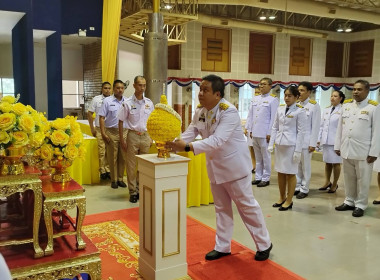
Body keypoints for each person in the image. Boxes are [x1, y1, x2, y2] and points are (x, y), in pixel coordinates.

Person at [166, 74, 272, 262]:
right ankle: (222, 246)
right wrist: (175, 142)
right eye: (200, 89)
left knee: (246, 207)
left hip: (235, 169)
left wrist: (188, 147)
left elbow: (218, 140)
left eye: (205, 90)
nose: (200, 94)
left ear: (217, 94)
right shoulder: (200, 111)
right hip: (216, 168)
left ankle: (264, 244)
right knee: (221, 208)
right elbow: (192, 131)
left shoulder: (228, 111)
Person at [334, 80, 380, 217]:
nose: (355, 92)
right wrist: (338, 145)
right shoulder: (347, 106)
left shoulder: (374, 108)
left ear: (367, 91)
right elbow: (340, 128)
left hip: (364, 151)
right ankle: (349, 201)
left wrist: (374, 152)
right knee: (348, 178)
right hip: (347, 149)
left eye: (359, 89)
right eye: (354, 89)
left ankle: (361, 204)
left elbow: (377, 132)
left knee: (363, 180)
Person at [269, 86, 305, 211]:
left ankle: (289, 200)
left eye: (290, 96)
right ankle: (281, 197)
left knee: (290, 173)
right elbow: (275, 127)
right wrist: (271, 144)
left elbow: (301, 132)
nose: (287, 98)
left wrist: (298, 150)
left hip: (291, 146)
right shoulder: (280, 109)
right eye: (285, 95)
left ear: (296, 97)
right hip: (280, 144)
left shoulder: (300, 111)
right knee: (280, 172)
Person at [118, 76, 154, 203]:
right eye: (140, 85)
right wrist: (123, 139)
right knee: (132, 165)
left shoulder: (149, 103)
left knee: (144, 166)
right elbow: (121, 121)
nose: (142, 88)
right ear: (134, 85)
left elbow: (152, 122)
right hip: (132, 135)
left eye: (144, 85)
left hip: (145, 136)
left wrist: (151, 138)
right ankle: (132, 191)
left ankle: (141, 189)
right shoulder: (127, 103)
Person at [245, 78, 279, 187]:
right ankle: (258, 177)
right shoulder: (255, 99)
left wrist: (270, 132)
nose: (261, 86)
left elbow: (274, 118)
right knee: (258, 157)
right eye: (260, 84)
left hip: (265, 134)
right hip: (254, 132)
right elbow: (250, 115)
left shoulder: (273, 100)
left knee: (266, 157)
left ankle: (266, 178)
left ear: (270, 86)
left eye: (264, 84)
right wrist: (249, 128)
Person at [98, 80, 128, 190]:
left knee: (123, 157)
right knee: (113, 157)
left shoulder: (128, 101)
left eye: (122, 88)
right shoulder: (107, 101)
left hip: (124, 132)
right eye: (117, 88)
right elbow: (101, 117)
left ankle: (120, 179)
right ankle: (114, 180)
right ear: (114, 89)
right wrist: (103, 133)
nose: (120, 90)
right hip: (111, 132)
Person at [295, 81, 321, 199]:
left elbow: (316, 126)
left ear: (309, 92)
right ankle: (297, 186)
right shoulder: (296, 104)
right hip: (296, 141)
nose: (299, 92)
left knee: (305, 166)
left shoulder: (313, 106)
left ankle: (305, 188)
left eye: (302, 90)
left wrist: (313, 143)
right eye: (298, 90)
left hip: (307, 141)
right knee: (296, 165)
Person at [317, 90, 345, 193]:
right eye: (332, 96)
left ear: (340, 98)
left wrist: (341, 142)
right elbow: (321, 126)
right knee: (327, 162)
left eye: (335, 96)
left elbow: (343, 128)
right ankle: (327, 181)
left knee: (336, 163)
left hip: (336, 141)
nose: (332, 98)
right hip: (326, 140)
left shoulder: (343, 110)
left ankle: (334, 183)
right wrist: (319, 139)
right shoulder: (326, 110)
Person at [87, 82, 112, 180]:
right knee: (101, 150)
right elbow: (89, 113)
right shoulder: (96, 99)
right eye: (105, 88)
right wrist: (92, 128)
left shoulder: (113, 100)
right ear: (102, 89)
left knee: (110, 151)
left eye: (109, 88)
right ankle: (102, 170)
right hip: (99, 128)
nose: (107, 90)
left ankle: (109, 170)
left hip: (110, 129)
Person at [244, 87, 260, 173]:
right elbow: (249, 115)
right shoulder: (253, 101)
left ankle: (259, 166)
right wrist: (246, 127)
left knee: (259, 150)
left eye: (258, 92)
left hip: (259, 130)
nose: (256, 94)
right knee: (251, 148)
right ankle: (253, 165)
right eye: (255, 92)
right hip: (251, 129)